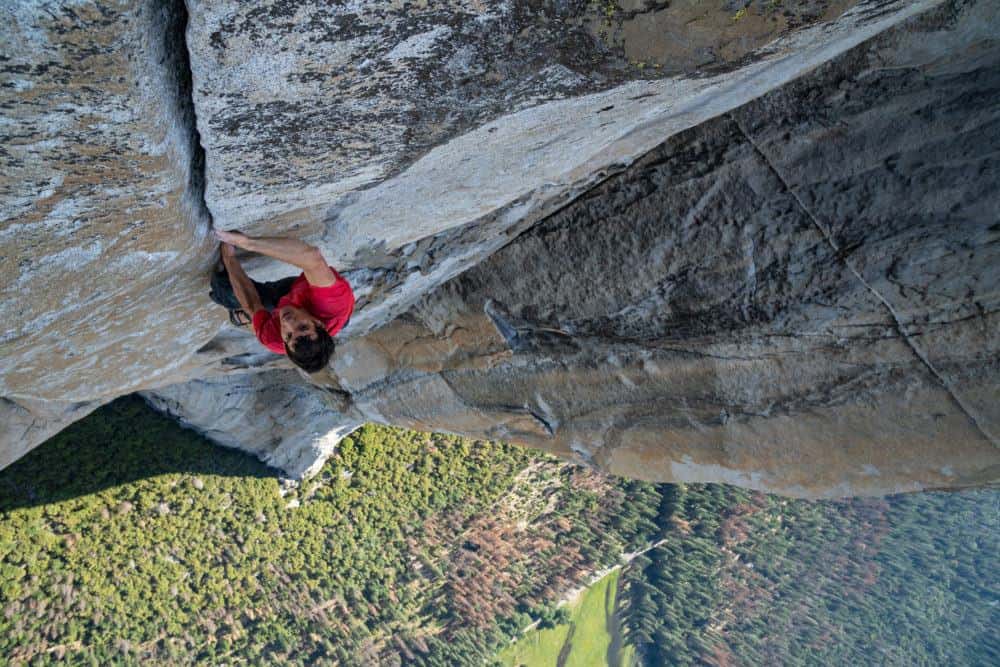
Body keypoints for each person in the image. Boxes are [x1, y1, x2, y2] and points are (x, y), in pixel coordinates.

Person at [209, 230, 354, 373]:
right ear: (318, 323)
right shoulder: (331, 304)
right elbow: (313, 258)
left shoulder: (274, 339)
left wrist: (229, 257)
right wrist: (247, 242)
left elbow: (252, 304)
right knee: (340, 316)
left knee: (225, 289)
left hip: (289, 303)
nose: (288, 322)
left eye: (289, 335)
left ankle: (246, 318)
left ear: (285, 345)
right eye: (303, 327)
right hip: (302, 292)